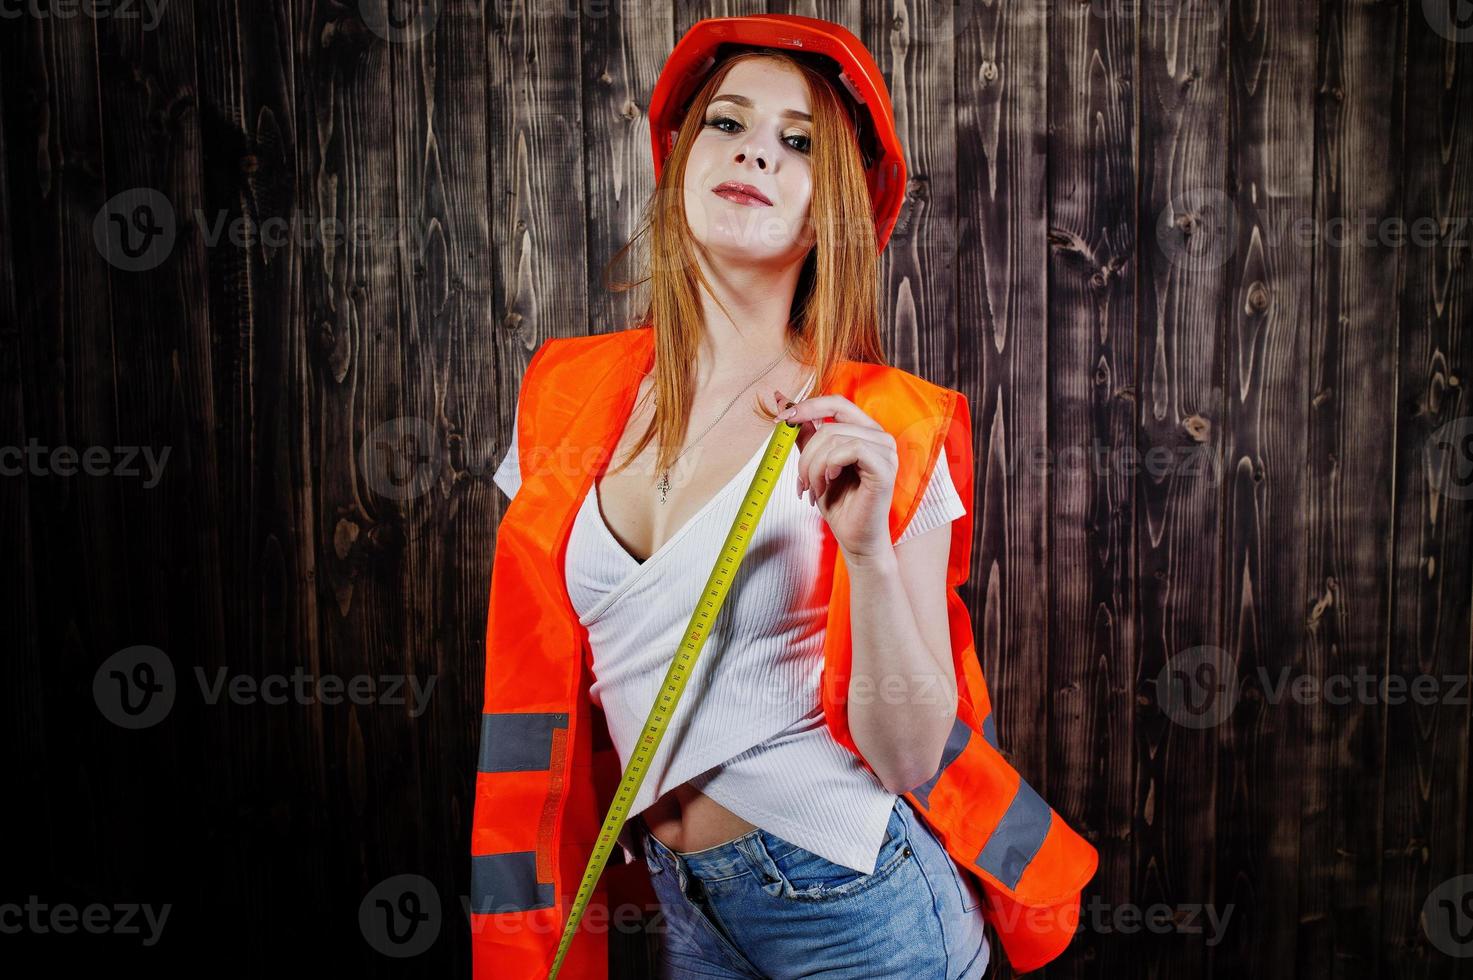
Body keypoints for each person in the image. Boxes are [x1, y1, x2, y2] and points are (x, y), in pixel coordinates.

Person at [472, 15, 1097, 980]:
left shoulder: (882, 429)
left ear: (829, 209)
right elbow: (547, 671)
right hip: (686, 902)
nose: (755, 147)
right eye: (727, 123)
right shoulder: (561, 394)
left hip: (856, 900)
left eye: (796, 141)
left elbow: (909, 753)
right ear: (679, 160)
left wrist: (867, 554)